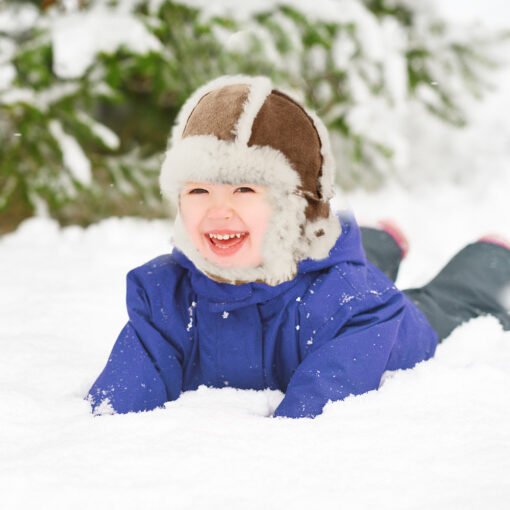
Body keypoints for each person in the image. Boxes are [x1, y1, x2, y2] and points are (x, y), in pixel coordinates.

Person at [86, 75, 510, 419]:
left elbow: (307, 432)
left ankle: (487, 257)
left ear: (295, 208)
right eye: (198, 190)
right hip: (322, 275)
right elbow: (116, 408)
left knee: (437, 306)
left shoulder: (357, 307)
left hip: (378, 318)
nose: (218, 211)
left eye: (244, 189)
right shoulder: (166, 296)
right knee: (344, 265)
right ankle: (379, 241)